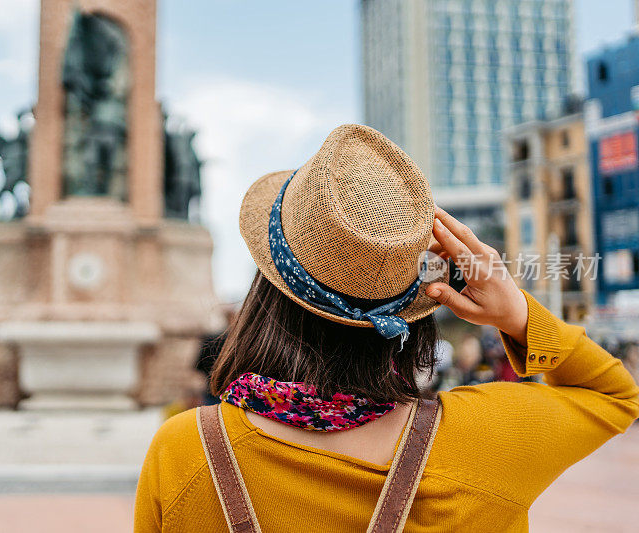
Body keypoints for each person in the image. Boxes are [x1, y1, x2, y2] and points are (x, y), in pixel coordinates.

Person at [134, 124, 639, 532]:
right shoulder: (489, 439)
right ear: (411, 313)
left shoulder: (185, 451)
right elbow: (617, 395)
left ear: (265, 292)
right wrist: (516, 314)